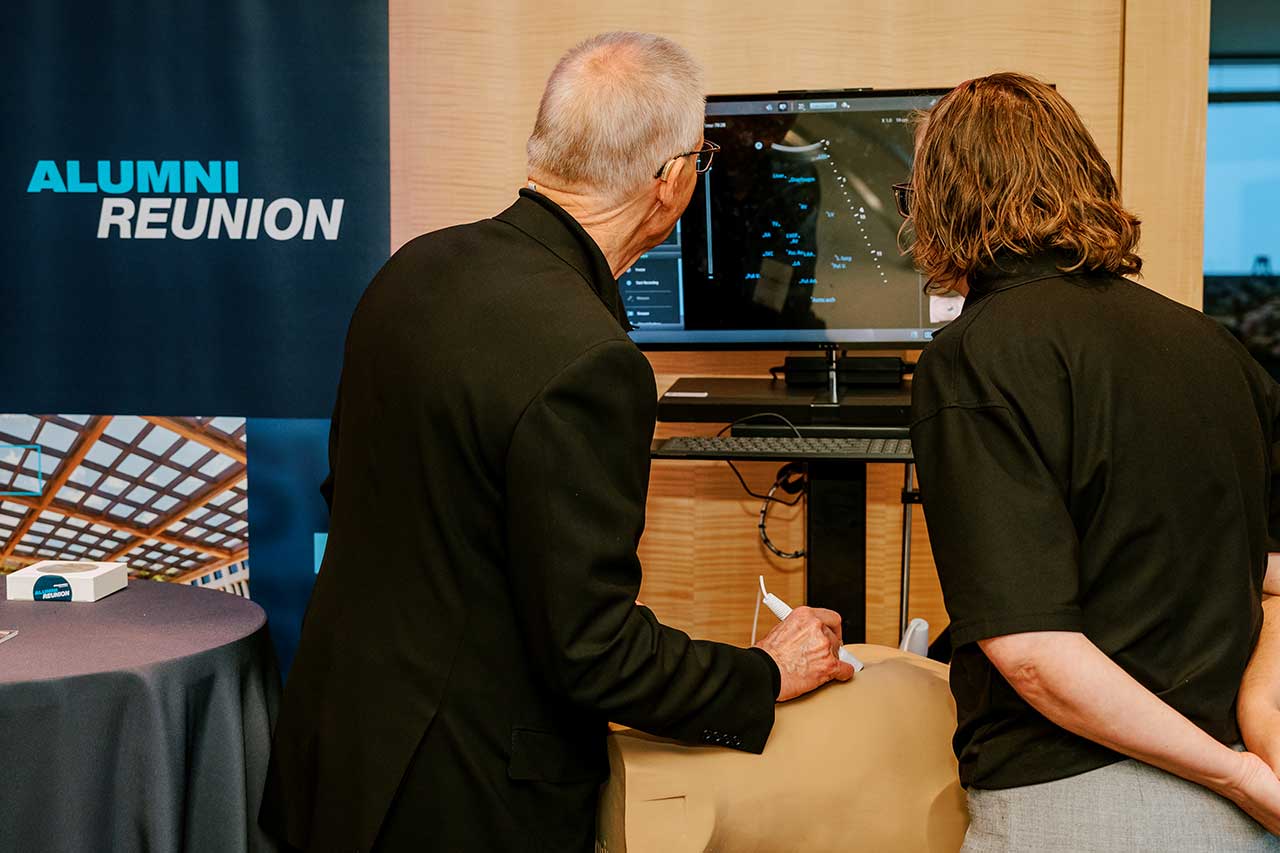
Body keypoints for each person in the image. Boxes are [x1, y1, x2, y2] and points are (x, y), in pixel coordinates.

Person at [258, 31, 853, 853]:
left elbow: (383, 513)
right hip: (457, 800)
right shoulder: (592, 359)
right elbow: (592, 652)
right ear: (673, 181)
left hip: (334, 757)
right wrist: (762, 675)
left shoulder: (413, 271)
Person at [904, 72, 1280, 850]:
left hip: (1082, 803)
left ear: (940, 204)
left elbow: (1036, 655)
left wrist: (1231, 771)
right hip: (1240, 813)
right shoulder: (1216, 347)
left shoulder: (973, 358)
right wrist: (1257, 722)